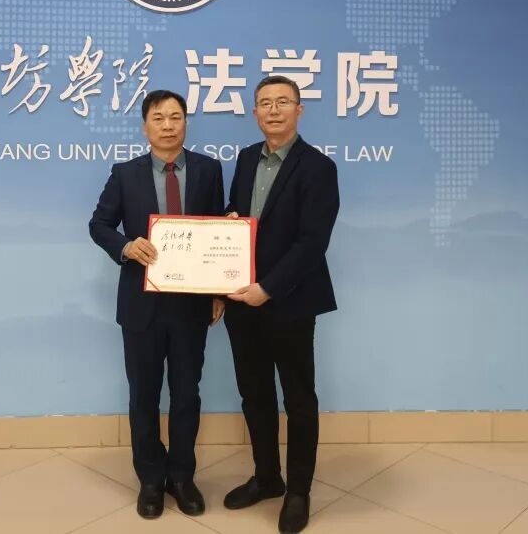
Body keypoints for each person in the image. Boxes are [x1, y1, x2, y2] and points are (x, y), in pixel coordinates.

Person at [89, 90, 225, 520]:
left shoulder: (208, 170)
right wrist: (126, 246)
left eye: (176, 117)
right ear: (145, 126)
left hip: (191, 304)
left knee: (187, 395)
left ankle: (182, 477)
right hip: (141, 306)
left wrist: (219, 290)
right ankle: (150, 479)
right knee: (143, 396)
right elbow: (99, 224)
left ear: (186, 122)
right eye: (159, 118)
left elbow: (218, 232)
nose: (168, 125)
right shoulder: (125, 174)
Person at [222, 75, 340, 534]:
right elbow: (237, 220)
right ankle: (267, 477)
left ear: (299, 110)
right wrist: (230, 223)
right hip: (241, 301)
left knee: (298, 399)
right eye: (265, 103)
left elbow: (312, 242)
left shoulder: (318, 167)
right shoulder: (246, 158)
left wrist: (267, 288)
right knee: (254, 394)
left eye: (283, 102)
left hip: (289, 301)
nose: (273, 110)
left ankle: (298, 492)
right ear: (255, 112)